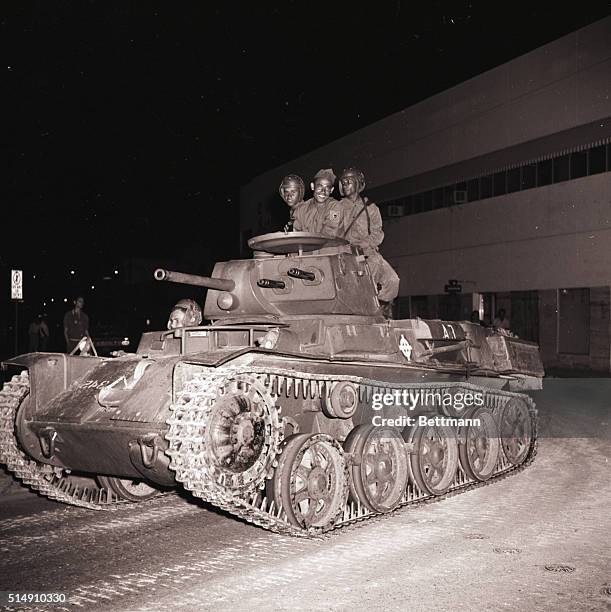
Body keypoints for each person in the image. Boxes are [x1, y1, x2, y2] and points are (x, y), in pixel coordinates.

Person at [338, 167, 400, 315]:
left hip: (368, 252)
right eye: (343, 183)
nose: (346, 185)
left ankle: (378, 306)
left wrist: (365, 244)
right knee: (364, 279)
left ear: (358, 184)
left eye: (349, 182)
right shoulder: (337, 207)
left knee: (393, 281)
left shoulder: (370, 208)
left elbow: (378, 233)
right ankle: (362, 306)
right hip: (349, 254)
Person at [292, 168, 344, 238]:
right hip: (307, 247)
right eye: (320, 186)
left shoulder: (335, 207)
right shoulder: (301, 209)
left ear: (331, 190)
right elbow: (296, 235)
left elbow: (329, 234)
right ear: (312, 186)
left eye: (327, 188)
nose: (323, 191)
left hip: (330, 248)